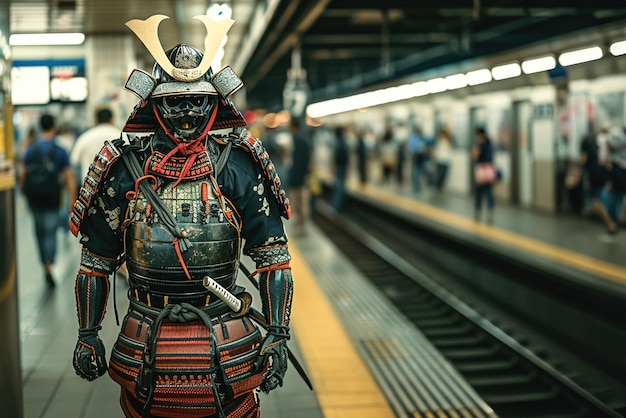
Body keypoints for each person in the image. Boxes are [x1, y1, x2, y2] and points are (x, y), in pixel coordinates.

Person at [69, 15, 295, 418]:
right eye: (175, 100)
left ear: (215, 102)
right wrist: (87, 334)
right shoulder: (123, 167)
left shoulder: (238, 165)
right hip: (146, 333)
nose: (187, 110)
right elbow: (95, 262)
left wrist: (278, 332)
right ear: (154, 103)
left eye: (197, 100)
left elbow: (272, 256)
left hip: (225, 333)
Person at [19, 113, 76, 287]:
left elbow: (22, 173)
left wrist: (24, 191)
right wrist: (72, 202)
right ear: (54, 127)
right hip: (52, 197)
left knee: (39, 231)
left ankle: (44, 264)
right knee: (50, 231)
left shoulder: (31, 148)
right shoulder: (59, 151)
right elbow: (69, 178)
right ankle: (49, 265)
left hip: (34, 196)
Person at [580, 131, 617, 239]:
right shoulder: (595, 147)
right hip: (600, 173)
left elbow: (583, 160)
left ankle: (611, 224)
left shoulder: (585, 147)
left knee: (595, 201)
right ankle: (610, 221)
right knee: (600, 198)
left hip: (593, 175)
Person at [70, 107, 120, 180]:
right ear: (111, 119)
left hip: (90, 186)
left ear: (96, 120)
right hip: (117, 186)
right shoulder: (119, 136)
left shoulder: (85, 137)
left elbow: (74, 161)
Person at [287, 118, 312, 233]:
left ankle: (299, 224)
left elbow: (290, 159)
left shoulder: (294, 140)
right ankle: (303, 225)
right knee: (303, 202)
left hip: (294, 175)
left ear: (293, 127)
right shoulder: (305, 140)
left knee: (297, 201)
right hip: (302, 175)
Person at [603, 126, 626, 241]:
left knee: (611, 200)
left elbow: (610, 146)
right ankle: (614, 224)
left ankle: (612, 226)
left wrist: (608, 138)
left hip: (617, 170)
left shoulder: (620, 136)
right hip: (623, 171)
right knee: (619, 200)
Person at [471, 127, 496, 222]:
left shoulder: (479, 145)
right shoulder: (490, 144)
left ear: (479, 134)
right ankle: (490, 211)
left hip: (481, 171)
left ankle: (477, 211)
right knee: (489, 191)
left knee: (478, 192)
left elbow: (474, 156)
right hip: (489, 170)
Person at [409, 126, 434, 194]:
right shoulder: (414, 139)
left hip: (424, 159)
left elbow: (430, 144)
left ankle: (430, 185)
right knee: (416, 174)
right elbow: (413, 149)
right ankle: (417, 188)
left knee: (428, 172)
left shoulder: (424, 138)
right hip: (417, 159)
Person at [331, 125, 350, 211]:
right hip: (343, 166)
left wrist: (334, 166)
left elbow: (336, 156)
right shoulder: (344, 141)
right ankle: (341, 205)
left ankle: (336, 206)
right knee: (341, 186)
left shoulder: (337, 141)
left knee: (339, 187)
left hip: (340, 167)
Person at [433, 127, 453, 195]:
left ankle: (440, 188)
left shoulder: (448, 141)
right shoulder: (439, 141)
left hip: (446, 161)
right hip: (440, 161)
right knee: (439, 175)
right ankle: (438, 188)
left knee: (444, 175)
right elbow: (436, 151)